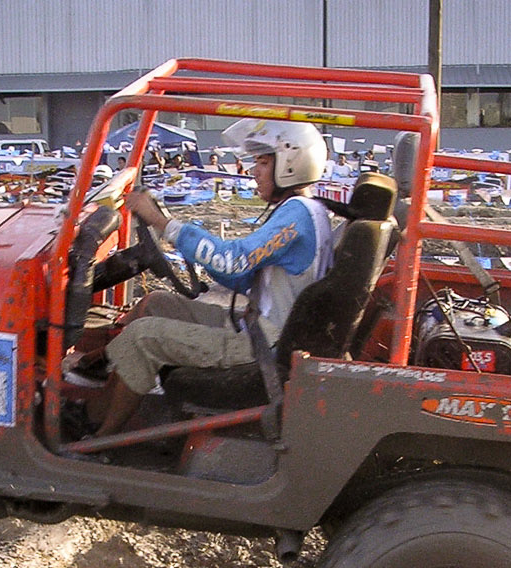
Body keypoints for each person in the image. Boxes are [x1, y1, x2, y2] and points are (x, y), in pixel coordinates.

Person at [80, 119, 335, 438]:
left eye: (263, 162)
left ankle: (97, 439)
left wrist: (162, 222)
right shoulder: (307, 210)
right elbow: (243, 275)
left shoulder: (297, 214)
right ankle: (95, 385)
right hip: (262, 326)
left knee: (143, 337)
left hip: (265, 342)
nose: (254, 170)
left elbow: (233, 262)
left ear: (291, 164)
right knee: (156, 303)